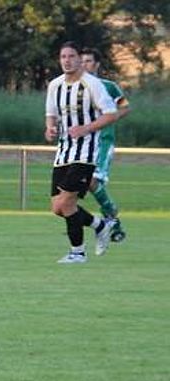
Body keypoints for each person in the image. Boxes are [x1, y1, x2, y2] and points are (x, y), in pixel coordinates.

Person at [45, 42, 119, 264]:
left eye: (72, 56)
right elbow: (51, 114)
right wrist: (50, 128)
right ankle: (101, 225)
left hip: (86, 152)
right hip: (63, 152)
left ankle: (77, 253)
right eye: (63, 57)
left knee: (68, 202)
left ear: (80, 59)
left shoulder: (96, 85)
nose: (67, 61)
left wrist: (86, 128)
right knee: (58, 207)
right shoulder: (55, 85)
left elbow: (114, 112)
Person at [81, 47, 130, 243]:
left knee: (92, 180)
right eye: (82, 61)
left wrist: (109, 118)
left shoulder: (109, 86)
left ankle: (111, 217)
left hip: (102, 143)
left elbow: (125, 107)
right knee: (74, 188)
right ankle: (109, 222)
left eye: (88, 61)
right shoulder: (76, 88)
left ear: (97, 64)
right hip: (82, 144)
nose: (84, 65)